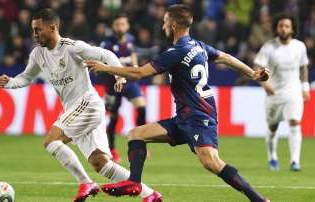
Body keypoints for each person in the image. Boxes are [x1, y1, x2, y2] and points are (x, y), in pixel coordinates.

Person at [86, 4, 270, 202]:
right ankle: (134, 182)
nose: (162, 27)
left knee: (211, 162)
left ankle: (259, 200)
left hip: (199, 117)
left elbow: (138, 73)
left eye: (165, 23)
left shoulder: (176, 52)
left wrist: (107, 68)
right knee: (136, 134)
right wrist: (251, 73)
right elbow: (225, 57)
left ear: (173, 26)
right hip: (184, 118)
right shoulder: (199, 45)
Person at [0, 8, 162, 202]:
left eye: (38, 30)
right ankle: (149, 194)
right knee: (101, 163)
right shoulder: (37, 54)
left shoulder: (72, 47)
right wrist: (10, 82)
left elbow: (106, 55)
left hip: (87, 103)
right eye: (33, 30)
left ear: (52, 28)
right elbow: (26, 77)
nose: (34, 35)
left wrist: (118, 75)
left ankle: (85, 182)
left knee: (51, 141)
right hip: (77, 109)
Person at [253, 13, 310, 172]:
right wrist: (265, 86)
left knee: (294, 122)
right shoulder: (269, 47)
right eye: (281, 26)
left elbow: (303, 67)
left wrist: (305, 87)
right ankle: (272, 157)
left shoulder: (300, 46)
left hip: (294, 91)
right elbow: (257, 67)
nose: (283, 29)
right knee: (273, 127)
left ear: (292, 29)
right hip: (274, 93)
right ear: (276, 28)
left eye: (286, 26)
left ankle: (294, 161)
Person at [100, 13, 147, 163]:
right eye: (117, 24)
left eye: (123, 24)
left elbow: (132, 54)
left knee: (141, 108)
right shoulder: (107, 44)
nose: (120, 27)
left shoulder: (131, 39)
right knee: (113, 117)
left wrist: (135, 67)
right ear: (113, 27)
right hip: (114, 85)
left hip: (130, 82)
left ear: (127, 26)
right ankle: (111, 148)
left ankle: (140, 143)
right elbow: (103, 64)